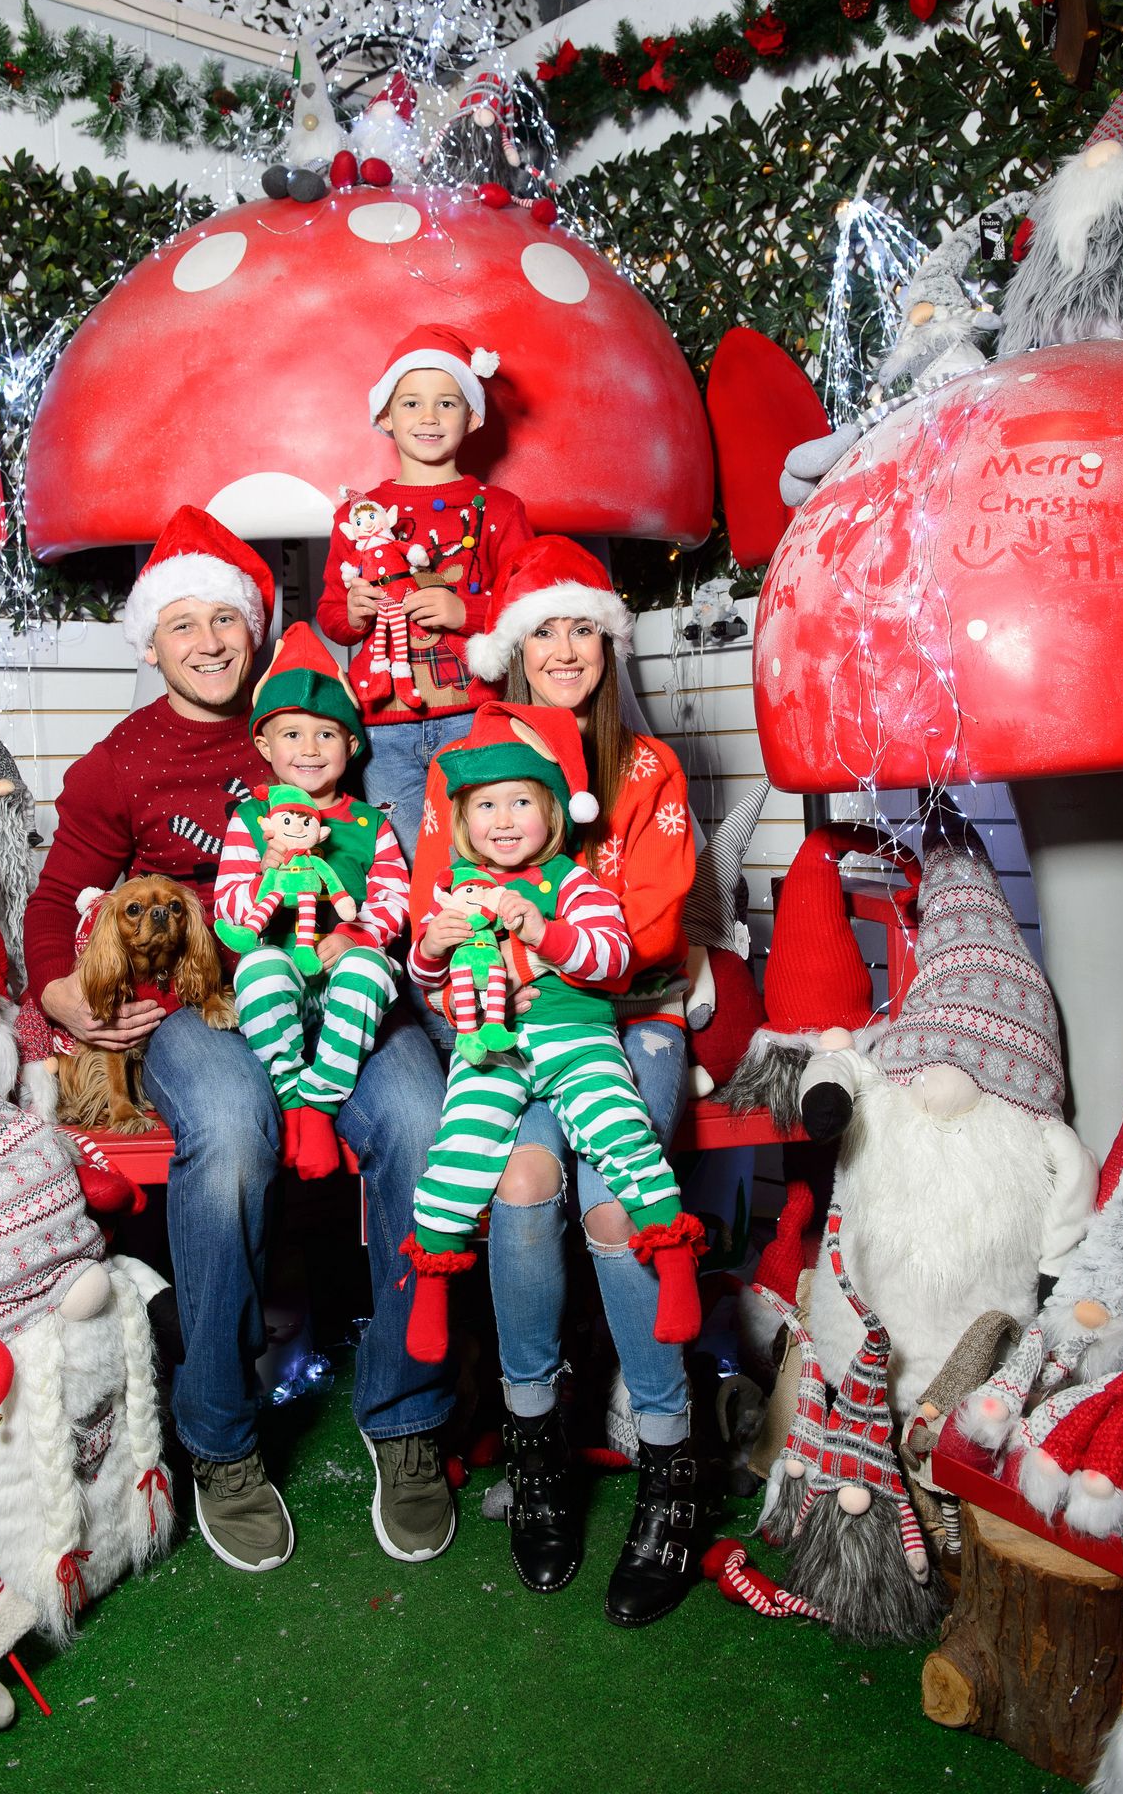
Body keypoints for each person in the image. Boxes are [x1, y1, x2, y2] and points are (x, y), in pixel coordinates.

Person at [24, 506, 457, 1575]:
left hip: (341, 978)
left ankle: (405, 1417)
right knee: (228, 1126)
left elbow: (391, 848)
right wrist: (62, 998)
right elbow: (47, 908)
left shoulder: (311, 719)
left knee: (415, 1113)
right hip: (197, 1006)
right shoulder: (116, 766)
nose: (211, 640)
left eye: (229, 616)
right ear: (149, 641)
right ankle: (219, 1435)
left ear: (257, 628)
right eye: (185, 624)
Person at [409, 534, 698, 1627]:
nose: (566, 646)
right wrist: (454, 954)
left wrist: (554, 933)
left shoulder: (646, 768)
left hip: (629, 1014)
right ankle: (536, 1445)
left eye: (584, 625)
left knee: (619, 1206)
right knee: (521, 1185)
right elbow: (437, 914)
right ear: (511, 649)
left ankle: (670, 1465)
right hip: (510, 1024)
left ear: (608, 643)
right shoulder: (463, 766)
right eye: (544, 628)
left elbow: (653, 928)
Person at [401, 700, 704, 1369]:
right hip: (493, 1048)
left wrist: (544, 933)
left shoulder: (574, 882)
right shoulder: (458, 888)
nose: (502, 821)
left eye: (519, 804)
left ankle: (674, 1261)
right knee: (459, 1147)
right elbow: (427, 978)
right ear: (461, 822)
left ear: (554, 814)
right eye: (484, 807)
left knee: (619, 1132)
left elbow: (614, 958)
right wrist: (432, 944)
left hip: (575, 1039)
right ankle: (429, 1282)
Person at [315, 322, 533, 866]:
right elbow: (332, 618)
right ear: (385, 416)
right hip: (382, 722)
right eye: (411, 403)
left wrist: (470, 611)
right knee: (405, 857)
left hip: (473, 711)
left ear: (474, 416)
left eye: (446, 403)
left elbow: (532, 610)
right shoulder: (355, 515)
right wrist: (353, 611)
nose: (429, 417)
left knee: (482, 850)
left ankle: (480, 948)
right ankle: (418, 951)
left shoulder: (501, 509)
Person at [214, 623, 407, 1183]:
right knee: (258, 969)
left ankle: (320, 1105)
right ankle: (291, 1096)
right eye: (291, 735)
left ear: (351, 746)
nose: (308, 749)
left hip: (343, 979)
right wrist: (265, 876)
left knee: (371, 967)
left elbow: (394, 896)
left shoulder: (371, 825)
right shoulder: (251, 821)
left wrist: (355, 935)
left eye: (325, 735)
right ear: (263, 745)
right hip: (283, 976)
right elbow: (229, 905)